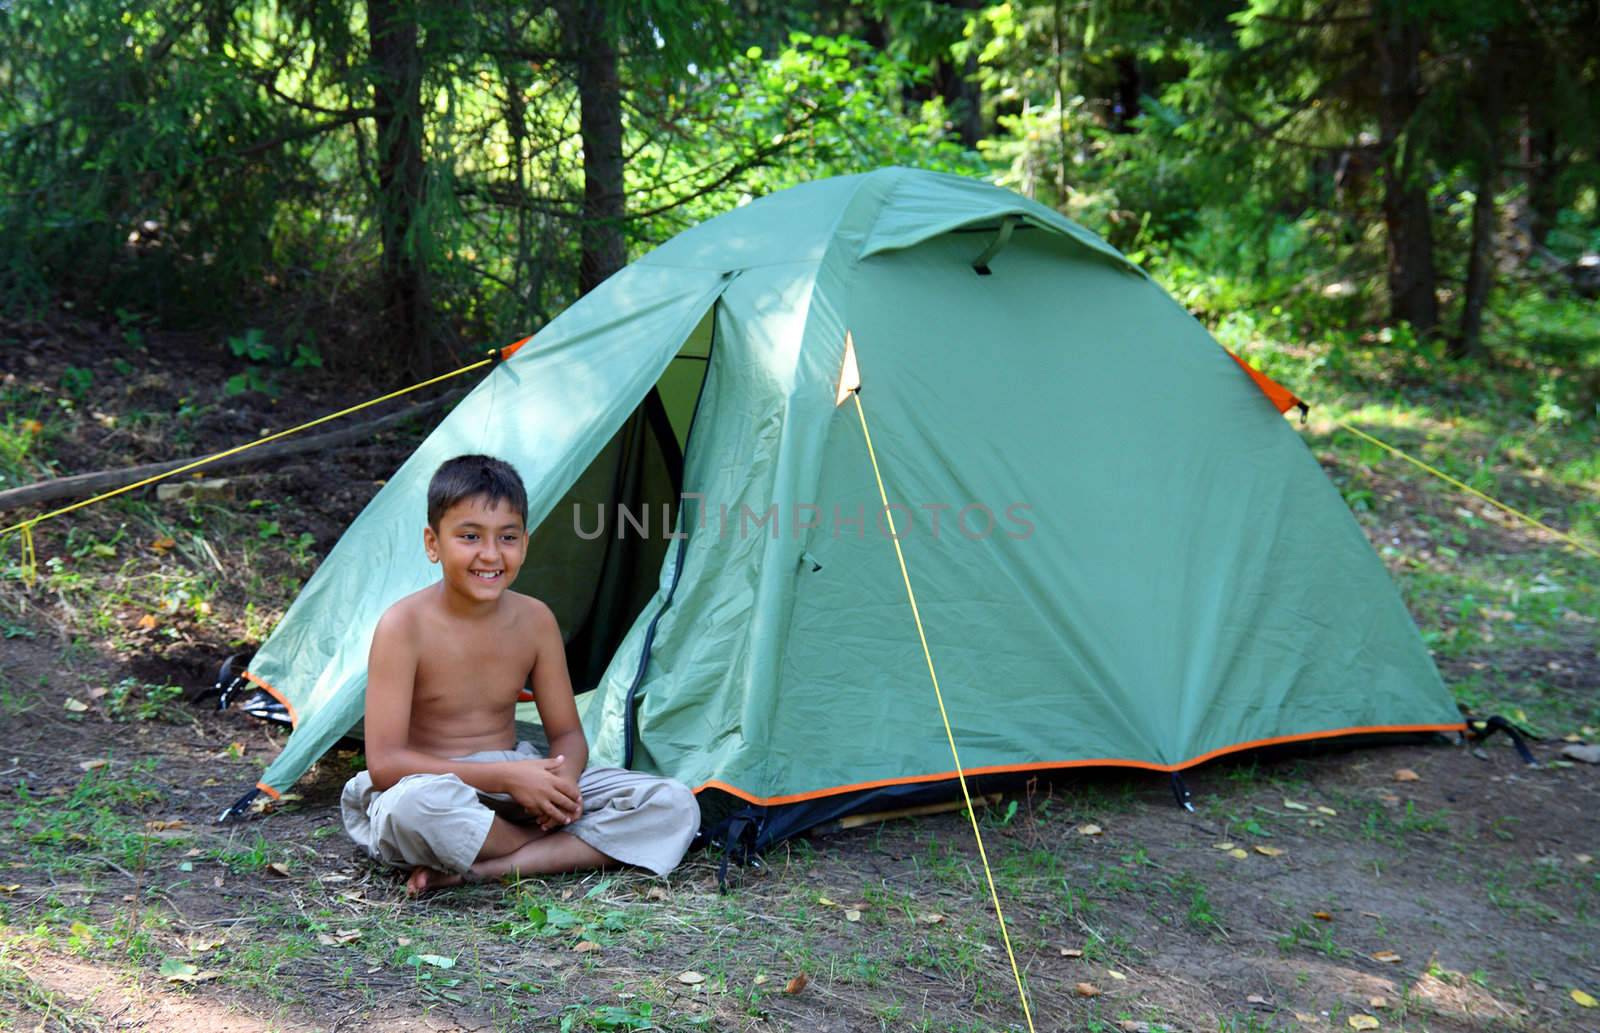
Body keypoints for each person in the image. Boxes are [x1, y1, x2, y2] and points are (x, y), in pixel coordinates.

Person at [340, 454, 699, 895]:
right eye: (469, 536)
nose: (490, 554)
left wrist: (560, 786)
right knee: (410, 811)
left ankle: (489, 867)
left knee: (674, 804)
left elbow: (567, 735)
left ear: (525, 543)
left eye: (507, 537)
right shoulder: (404, 626)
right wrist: (508, 780)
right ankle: (546, 849)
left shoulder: (535, 621)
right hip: (436, 786)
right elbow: (385, 765)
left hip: (520, 780)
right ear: (433, 543)